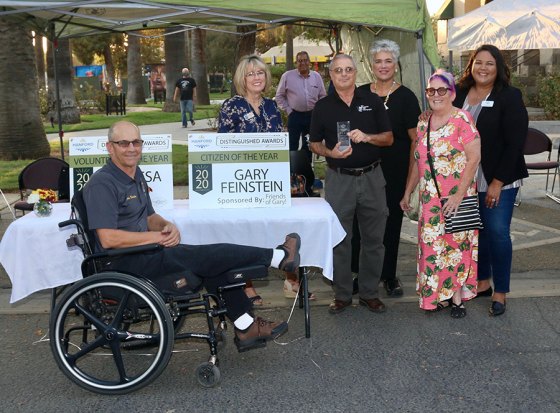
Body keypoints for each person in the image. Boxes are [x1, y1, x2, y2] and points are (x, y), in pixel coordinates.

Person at [83, 120, 299, 352]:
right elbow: (107, 239)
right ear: (109, 147)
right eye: (123, 143)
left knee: (212, 263)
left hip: (143, 253)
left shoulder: (135, 174)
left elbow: (149, 217)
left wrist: (165, 225)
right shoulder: (103, 184)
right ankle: (277, 257)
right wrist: (156, 239)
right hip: (124, 263)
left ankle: (245, 326)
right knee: (213, 254)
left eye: (136, 142)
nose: (131, 148)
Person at [218, 55, 315, 304]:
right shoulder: (232, 106)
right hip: (242, 181)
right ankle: (246, 285)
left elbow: (278, 143)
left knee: (282, 226)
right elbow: (221, 147)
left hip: (272, 179)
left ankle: (291, 280)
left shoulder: (272, 106)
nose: (256, 77)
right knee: (247, 230)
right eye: (250, 73)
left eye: (260, 73)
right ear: (242, 78)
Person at [309, 54, 394, 314]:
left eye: (348, 70)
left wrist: (368, 137)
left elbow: (389, 138)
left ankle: (369, 293)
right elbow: (314, 143)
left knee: (374, 240)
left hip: (371, 177)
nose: (344, 74)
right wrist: (332, 153)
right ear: (331, 75)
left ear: (356, 73)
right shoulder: (322, 107)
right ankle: (343, 294)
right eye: (338, 70)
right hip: (339, 180)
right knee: (339, 240)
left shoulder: (372, 101)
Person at [454, 44, 529, 316]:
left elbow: (514, 144)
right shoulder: (459, 93)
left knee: (497, 232)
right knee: (478, 230)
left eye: (490, 64)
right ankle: (482, 282)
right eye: (478, 62)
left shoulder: (509, 96)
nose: (483, 68)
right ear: (471, 65)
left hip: (499, 177)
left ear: (499, 68)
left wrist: (497, 182)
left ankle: (500, 292)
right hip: (466, 177)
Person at [400, 70, 481, 318]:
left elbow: (474, 158)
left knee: (455, 246)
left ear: (452, 93)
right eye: (431, 90)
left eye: (441, 90)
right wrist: (407, 192)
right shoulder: (423, 122)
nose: (436, 95)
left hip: (457, 197)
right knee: (432, 248)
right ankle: (435, 296)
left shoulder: (462, 119)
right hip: (430, 200)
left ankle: (457, 298)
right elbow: (418, 161)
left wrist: (457, 195)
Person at [352, 39, 421, 297]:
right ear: (371, 65)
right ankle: (363, 273)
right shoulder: (359, 93)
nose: (383, 66)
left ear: (396, 64)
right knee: (362, 223)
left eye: (388, 61)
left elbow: (416, 139)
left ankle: (389, 275)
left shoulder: (406, 97)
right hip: (362, 168)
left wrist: (411, 178)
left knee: (391, 223)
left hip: (394, 169)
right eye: (378, 61)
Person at [275, 50, 327, 160]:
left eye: (305, 60)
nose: (302, 63)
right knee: (292, 144)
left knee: (308, 145)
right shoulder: (287, 76)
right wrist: (288, 110)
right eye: (299, 61)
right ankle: (291, 171)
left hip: (312, 116)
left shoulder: (316, 76)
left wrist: (318, 111)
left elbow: (323, 96)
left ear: (309, 62)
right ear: (296, 63)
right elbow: (279, 96)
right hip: (294, 115)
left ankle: (305, 171)